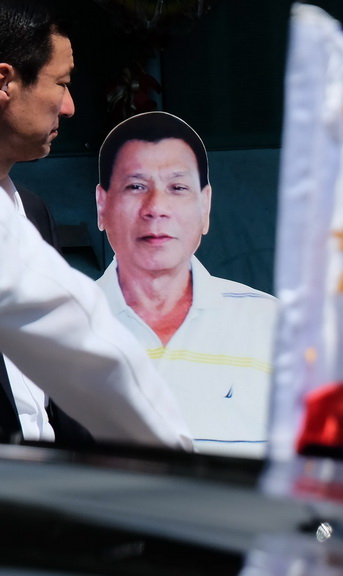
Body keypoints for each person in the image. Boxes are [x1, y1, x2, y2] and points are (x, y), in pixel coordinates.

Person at [0, 0, 191, 449]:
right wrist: (177, 463)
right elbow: (77, 341)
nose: (68, 107)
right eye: (61, 84)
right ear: (5, 81)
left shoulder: (30, 210)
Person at [95, 111, 279, 459]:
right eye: (136, 186)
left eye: (177, 187)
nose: (156, 208)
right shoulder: (65, 320)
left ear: (205, 205)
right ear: (102, 205)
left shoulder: (272, 323)